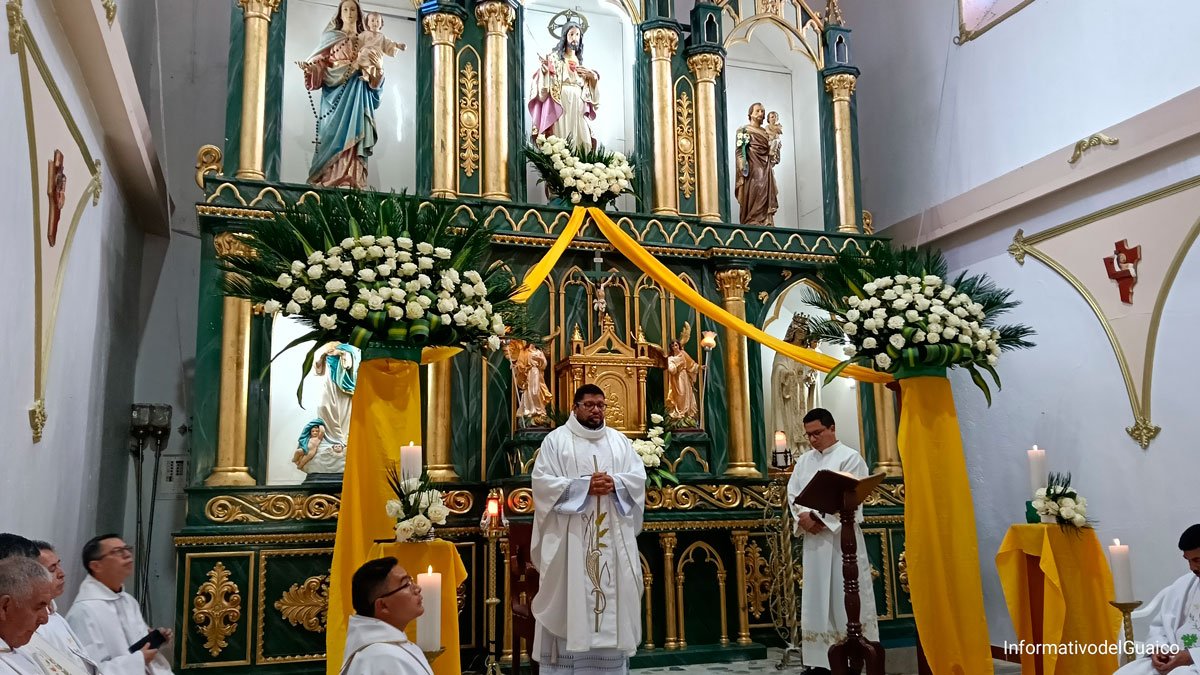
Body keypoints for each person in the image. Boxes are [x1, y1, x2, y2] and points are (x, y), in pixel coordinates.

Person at [530, 384, 645, 674]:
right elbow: (542, 484)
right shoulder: (556, 441)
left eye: (601, 405)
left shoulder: (619, 442)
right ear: (576, 406)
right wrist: (583, 486)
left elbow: (637, 479)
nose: (596, 410)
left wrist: (616, 484)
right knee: (570, 598)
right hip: (570, 542)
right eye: (590, 404)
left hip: (613, 541)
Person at [786, 408, 878, 675]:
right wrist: (802, 517)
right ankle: (819, 661)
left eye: (817, 433)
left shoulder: (850, 458)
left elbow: (852, 495)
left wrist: (819, 519)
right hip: (815, 544)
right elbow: (794, 493)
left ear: (832, 428)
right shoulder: (804, 461)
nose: (813, 440)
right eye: (808, 435)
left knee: (844, 595)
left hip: (841, 542)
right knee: (816, 597)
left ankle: (852, 655)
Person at [299, 0, 384, 189]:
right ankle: (328, 178)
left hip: (358, 95)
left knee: (355, 140)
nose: (349, 12)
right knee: (330, 135)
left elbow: (376, 80)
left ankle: (353, 179)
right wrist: (311, 69)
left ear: (359, 13)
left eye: (353, 9)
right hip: (334, 99)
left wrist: (377, 71)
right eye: (345, 9)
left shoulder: (367, 39)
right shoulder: (331, 37)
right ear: (339, 13)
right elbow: (320, 67)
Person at [66, 535, 175, 674]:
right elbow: (88, 669)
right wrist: (138, 660)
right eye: (117, 551)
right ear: (96, 566)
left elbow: (136, 645)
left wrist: (155, 638)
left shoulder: (128, 601)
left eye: (127, 549)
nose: (127, 554)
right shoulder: (83, 612)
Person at [1114, 524, 1200, 674]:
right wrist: (1159, 648)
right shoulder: (1184, 584)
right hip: (1176, 658)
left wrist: (1192, 656)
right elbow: (1160, 627)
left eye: (1197, 560)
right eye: (1188, 560)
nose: (1192, 567)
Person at [340, 557, 431, 675]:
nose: (417, 588)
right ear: (383, 605)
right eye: (406, 584)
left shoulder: (390, 650)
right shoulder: (382, 658)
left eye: (411, 580)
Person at [528, 21, 599, 149]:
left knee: (584, 140)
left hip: (578, 104)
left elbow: (590, 92)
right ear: (565, 37)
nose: (574, 38)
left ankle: (580, 165)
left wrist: (593, 77)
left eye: (577, 34)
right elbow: (544, 89)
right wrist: (545, 70)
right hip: (561, 103)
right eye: (571, 34)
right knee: (561, 135)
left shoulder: (580, 63)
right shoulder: (555, 59)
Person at [293, 342, 361, 476]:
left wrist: (341, 353)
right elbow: (318, 368)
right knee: (323, 406)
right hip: (329, 381)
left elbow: (353, 362)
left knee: (345, 412)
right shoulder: (327, 344)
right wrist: (323, 355)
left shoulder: (349, 346)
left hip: (344, 386)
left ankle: (342, 440)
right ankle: (330, 438)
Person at [31, 541, 98, 673]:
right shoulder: (34, 626)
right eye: (52, 569)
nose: (61, 573)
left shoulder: (55, 615)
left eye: (59, 564)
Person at [734, 102, 780, 227]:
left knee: (766, 191)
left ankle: (766, 220)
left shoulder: (766, 133)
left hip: (766, 166)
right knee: (755, 189)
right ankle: (752, 219)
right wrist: (741, 163)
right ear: (750, 114)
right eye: (758, 111)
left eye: (763, 112)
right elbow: (739, 151)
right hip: (753, 166)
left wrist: (775, 149)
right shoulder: (744, 130)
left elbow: (773, 154)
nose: (761, 114)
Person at [355, 12, 404, 84]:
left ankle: (367, 75)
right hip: (365, 53)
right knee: (362, 61)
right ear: (367, 22)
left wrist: (397, 46)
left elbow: (389, 44)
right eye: (372, 20)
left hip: (377, 56)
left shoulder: (382, 36)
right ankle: (365, 75)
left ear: (381, 23)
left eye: (378, 21)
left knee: (371, 64)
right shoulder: (364, 34)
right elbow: (357, 43)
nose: (375, 23)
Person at [665, 340, 700, 425]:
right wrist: (673, 367)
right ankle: (679, 413)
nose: (675, 347)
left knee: (684, 393)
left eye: (676, 345)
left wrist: (700, 367)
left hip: (683, 376)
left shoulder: (683, 354)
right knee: (678, 395)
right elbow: (671, 369)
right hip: (676, 378)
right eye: (673, 346)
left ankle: (686, 413)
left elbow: (691, 364)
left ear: (679, 346)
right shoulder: (671, 358)